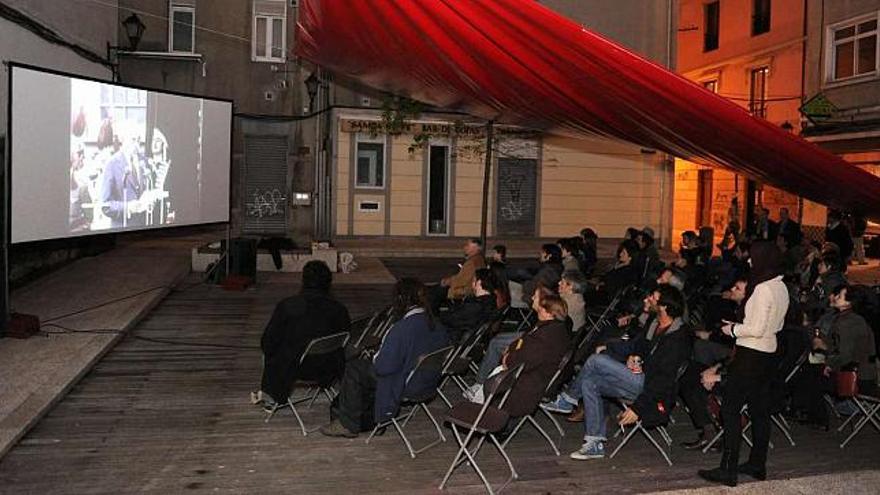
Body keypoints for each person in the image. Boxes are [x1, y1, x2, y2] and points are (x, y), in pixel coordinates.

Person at [544, 285, 692, 460]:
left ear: (664, 306)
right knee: (589, 383)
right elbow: (637, 346)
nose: (647, 299)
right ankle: (594, 443)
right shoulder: (655, 322)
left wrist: (638, 408)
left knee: (595, 360)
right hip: (638, 376)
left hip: (650, 389)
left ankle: (568, 399)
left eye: (652, 297)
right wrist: (618, 350)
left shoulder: (677, 338)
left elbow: (663, 380)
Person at [698, 241, 789, 487]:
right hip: (768, 354)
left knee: (730, 409)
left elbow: (756, 329)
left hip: (750, 354)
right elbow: (775, 326)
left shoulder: (762, 290)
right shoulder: (781, 287)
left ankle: (728, 469)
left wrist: (733, 329)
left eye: (753, 258)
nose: (749, 262)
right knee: (760, 411)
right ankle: (757, 463)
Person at [321, 279, 449, 437]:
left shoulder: (402, 329)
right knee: (365, 369)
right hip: (427, 382)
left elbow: (383, 367)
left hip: (405, 384)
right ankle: (370, 418)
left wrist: (375, 357)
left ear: (401, 300)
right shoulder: (437, 325)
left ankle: (348, 425)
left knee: (355, 369)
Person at [255, 261, 351, 408]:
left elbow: (267, 342)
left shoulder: (287, 306)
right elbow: (345, 336)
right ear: (329, 283)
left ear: (303, 280)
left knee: (274, 350)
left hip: (294, 368)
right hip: (330, 367)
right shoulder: (339, 309)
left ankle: (272, 396)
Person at [792, 285, 878, 428]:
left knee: (810, 374)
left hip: (857, 376)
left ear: (849, 302)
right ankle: (812, 414)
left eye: (839, 296)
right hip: (859, 372)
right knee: (810, 371)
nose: (835, 297)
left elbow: (844, 354)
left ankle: (818, 417)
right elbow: (839, 346)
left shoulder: (848, 322)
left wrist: (830, 364)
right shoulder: (849, 319)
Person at [496, 293, 571, 419]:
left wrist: (507, 358)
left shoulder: (544, 336)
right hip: (540, 377)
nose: (538, 310)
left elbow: (523, 361)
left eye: (541, 308)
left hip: (528, 386)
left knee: (492, 383)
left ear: (549, 313)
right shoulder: (559, 330)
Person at [440, 268, 499, 343]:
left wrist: (438, 316)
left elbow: (454, 319)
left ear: (479, 282)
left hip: (452, 335)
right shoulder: (490, 301)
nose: (471, 283)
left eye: (473, 280)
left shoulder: (476, 306)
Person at [430, 238, 486, 308]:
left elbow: (461, 280)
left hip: (465, 290)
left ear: (475, 248)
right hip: (471, 288)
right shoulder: (479, 259)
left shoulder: (471, 262)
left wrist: (447, 281)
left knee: (436, 292)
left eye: (467, 245)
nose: (465, 247)